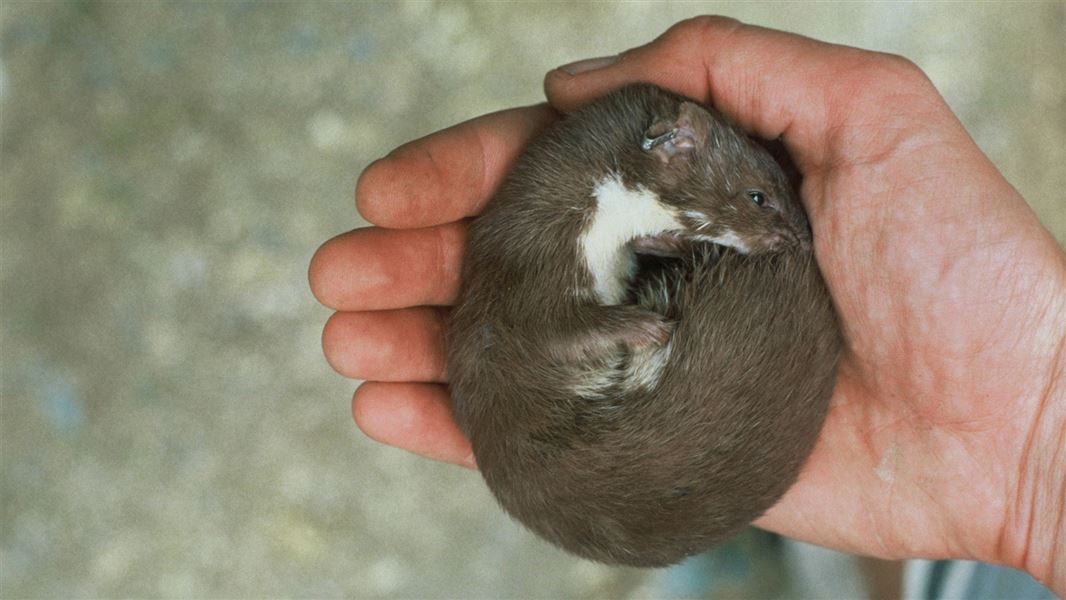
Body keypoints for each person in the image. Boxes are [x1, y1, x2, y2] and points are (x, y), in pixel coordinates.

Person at [309, 17, 1064, 595]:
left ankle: (812, 562)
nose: (781, 227)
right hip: (630, 446)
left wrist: (1040, 455)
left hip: (659, 447)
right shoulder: (560, 234)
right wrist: (1034, 447)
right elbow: (529, 338)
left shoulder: (576, 229)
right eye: (760, 201)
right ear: (672, 144)